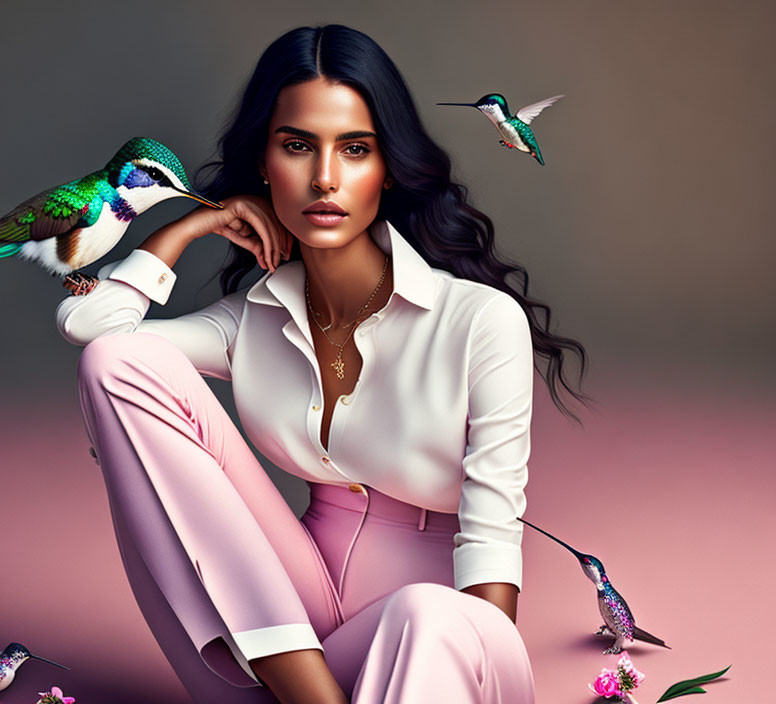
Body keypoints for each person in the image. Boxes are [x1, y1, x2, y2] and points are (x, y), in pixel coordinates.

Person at [56, 24, 591, 704]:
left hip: (445, 645)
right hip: (286, 641)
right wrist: (188, 225)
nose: (325, 178)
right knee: (117, 366)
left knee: (424, 613)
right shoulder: (252, 319)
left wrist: (477, 659)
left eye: (356, 149)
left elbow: (491, 543)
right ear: (263, 162)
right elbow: (91, 331)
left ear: (388, 166)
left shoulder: (479, 322)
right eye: (297, 146)